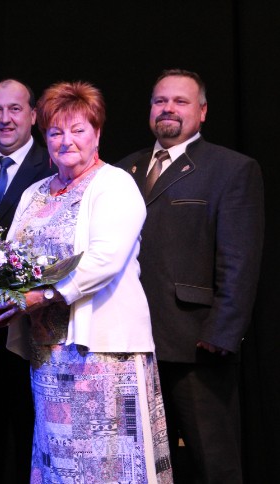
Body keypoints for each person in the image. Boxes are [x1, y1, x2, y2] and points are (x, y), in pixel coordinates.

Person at [0, 81, 173, 482]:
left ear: (97, 134)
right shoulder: (35, 192)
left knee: (107, 465)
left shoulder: (114, 184)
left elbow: (105, 259)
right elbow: (10, 259)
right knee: (59, 460)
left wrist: (45, 295)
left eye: (77, 130)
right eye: (55, 132)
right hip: (48, 354)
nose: (65, 140)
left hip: (101, 353)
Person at [117, 69, 264, 483]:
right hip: (130, 343)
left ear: (202, 111)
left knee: (213, 464)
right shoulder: (122, 170)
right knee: (141, 463)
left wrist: (222, 332)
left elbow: (240, 260)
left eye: (180, 101)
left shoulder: (232, 169)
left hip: (196, 344)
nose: (168, 108)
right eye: (160, 101)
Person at [0, 78, 57, 484]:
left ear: (33, 115)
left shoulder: (55, 163)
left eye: (14, 109)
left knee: (28, 430)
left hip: (29, 323)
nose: (5, 119)